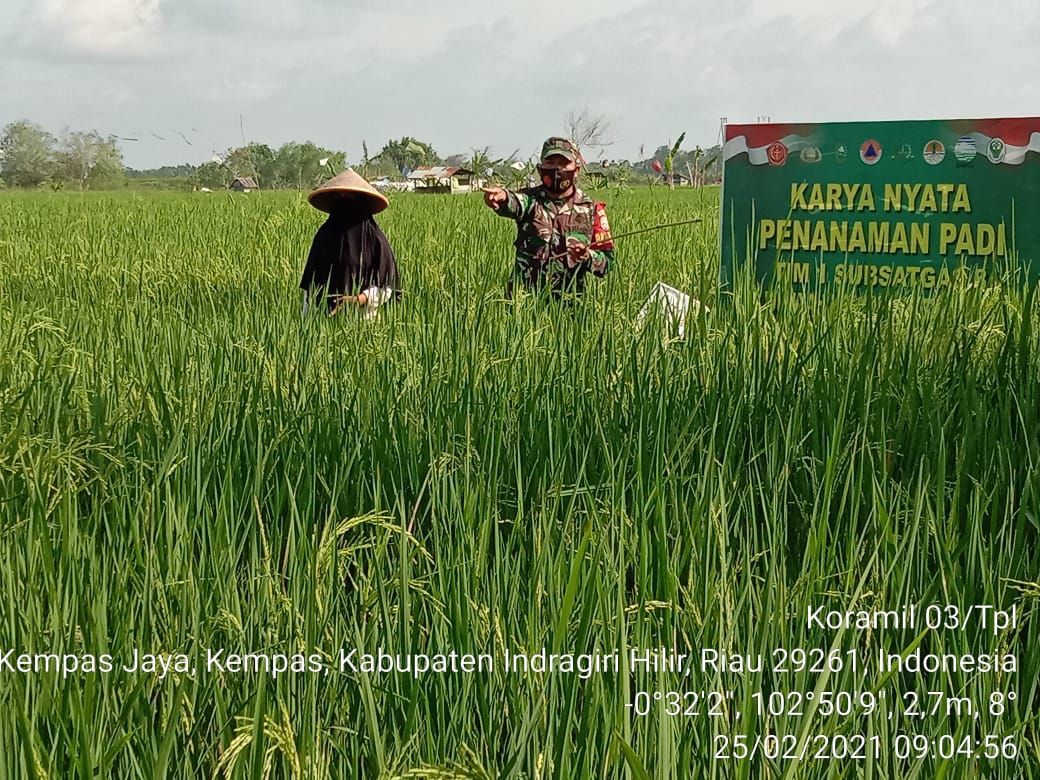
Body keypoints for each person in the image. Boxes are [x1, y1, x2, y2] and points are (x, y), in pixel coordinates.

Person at [481, 137, 614, 299]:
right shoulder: (530, 200)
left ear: (576, 170)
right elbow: (513, 201)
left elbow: (607, 263)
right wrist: (501, 197)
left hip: (570, 304)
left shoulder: (592, 209)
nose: (557, 169)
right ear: (540, 168)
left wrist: (588, 256)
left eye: (564, 163)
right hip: (524, 303)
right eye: (550, 163)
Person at [300, 169, 400, 319]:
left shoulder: (374, 239)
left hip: (364, 323)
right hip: (325, 322)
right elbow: (311, 287)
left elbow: (386, 287)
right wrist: (306, 323)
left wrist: (358, 300)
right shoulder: (324, 236)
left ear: (362, 201)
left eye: (350, 198)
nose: (345, 203)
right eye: (339, 197)